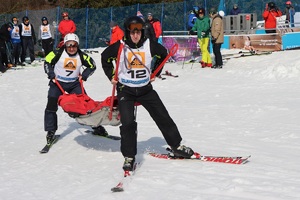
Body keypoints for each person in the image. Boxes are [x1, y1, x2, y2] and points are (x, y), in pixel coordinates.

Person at [101, 16, 194, 171]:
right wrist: (112, 75)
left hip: (145, 89)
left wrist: (156, 72)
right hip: (126, 90)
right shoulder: (120, 46)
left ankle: (176, 145)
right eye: (132, 32)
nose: (135, 35)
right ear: (128, 32)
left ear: (142, 32)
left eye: (138, 32)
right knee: (128, 123)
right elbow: (105, 57)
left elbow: (164, 54)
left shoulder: (149, 44)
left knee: (162, 115)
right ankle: (129, 156)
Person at [43, 33, 106, 144]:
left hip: (74, 84)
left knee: (85, 104)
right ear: (65, 45)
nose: (71, 48)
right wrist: (51, 74)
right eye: (69, 45)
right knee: (51, 104)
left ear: (77, 46)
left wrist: (84, 75)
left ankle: (96, 127)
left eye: (74, 46)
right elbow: (47, 62)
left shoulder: (81, 55)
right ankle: (50, 132)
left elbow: (92, 65)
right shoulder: (57, 53)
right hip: (57, 83)